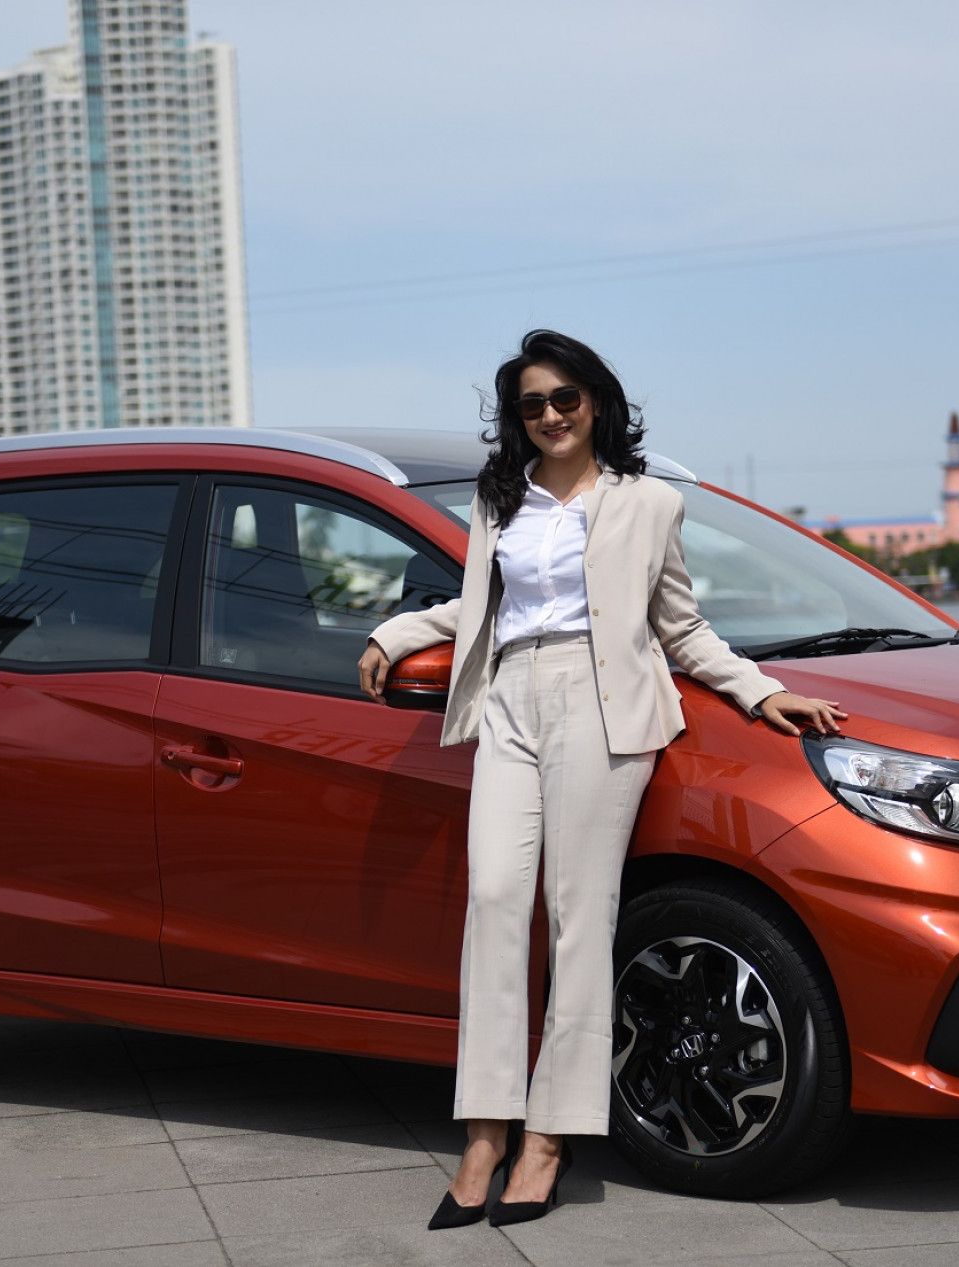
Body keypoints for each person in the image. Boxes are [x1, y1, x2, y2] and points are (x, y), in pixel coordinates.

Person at [358, 330, 847, 1228]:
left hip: (601, 702)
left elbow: (680, 626)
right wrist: (398, 632)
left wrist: (761, 690)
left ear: (596, 402)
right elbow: (487, 602)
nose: (549, 415)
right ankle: (484, 1133)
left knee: (580, 918)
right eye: (532, 404)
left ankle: (549, 1137)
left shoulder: (650, 502)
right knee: (494, 903)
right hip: (510, 698)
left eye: (564, 398)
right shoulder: (499, 497)